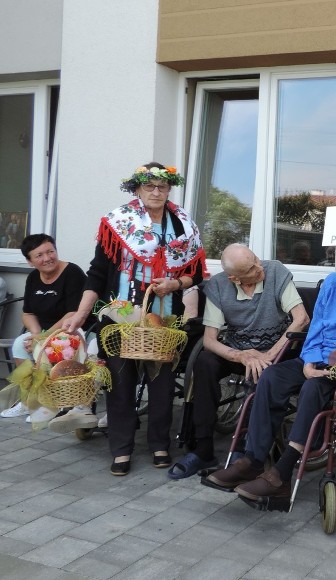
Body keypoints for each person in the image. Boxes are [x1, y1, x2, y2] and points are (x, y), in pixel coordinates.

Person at [205, 234, 336, 507]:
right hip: (319, 356)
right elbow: (316, 327)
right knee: (271, 376)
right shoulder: (331, 284)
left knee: (314, 388)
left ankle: (282, 473)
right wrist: (307, 362)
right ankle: (253, 459)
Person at [63, 162, 206, 476]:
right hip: (120, 317)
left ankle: (159, 444)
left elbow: (194, 273)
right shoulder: (118, 222)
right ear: (137, 189)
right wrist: (81, 314)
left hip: (165, 320)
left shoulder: (183, 224)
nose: (156, 192)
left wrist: (175, 283)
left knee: (163, 385)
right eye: (149, 186)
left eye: (162, 187)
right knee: (121, 385)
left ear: (169, 189)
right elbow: (98, 274)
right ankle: (121, 448)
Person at [167, 244, 310, 479]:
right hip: (239, 350)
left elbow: (301, 319)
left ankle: (245, 451)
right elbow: (210, 340)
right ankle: (203, 448)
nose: (258, 268)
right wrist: (240, 355)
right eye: (251, 268)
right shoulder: (219, 286)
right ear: (234, 278)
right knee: (204, 363)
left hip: (278, 350)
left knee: (261, 371)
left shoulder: (275, 271)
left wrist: (268, 356)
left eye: (256, 260)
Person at [0, 235, 92, 428]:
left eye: (50, 251)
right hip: (45, 331)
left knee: (49, 348)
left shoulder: (72, 272)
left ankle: (51, 403)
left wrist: (43, 337)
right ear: (30, 261)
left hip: (73, 330)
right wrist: (35, 334)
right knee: (19, 344)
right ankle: (28, 401)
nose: (47, 258)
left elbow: (73, 312)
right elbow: (28, 312)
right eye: (39, 255)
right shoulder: (34, 277)